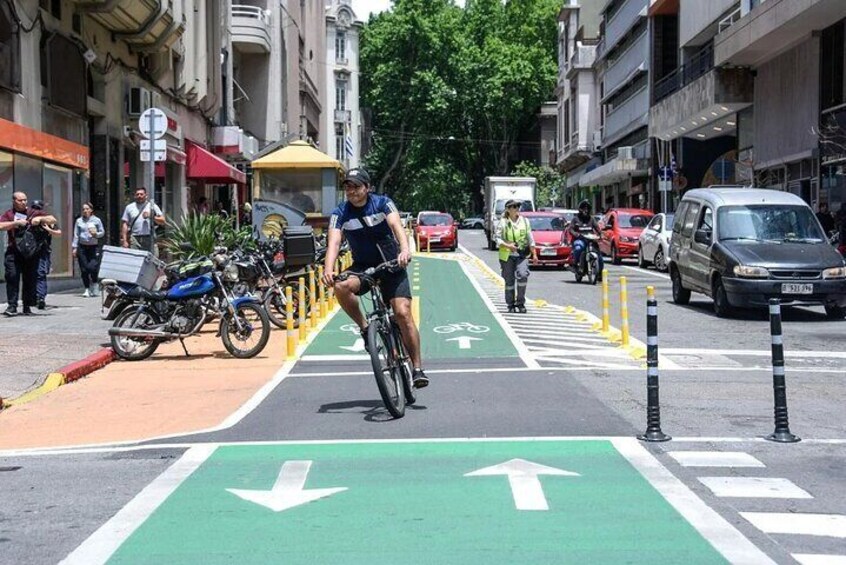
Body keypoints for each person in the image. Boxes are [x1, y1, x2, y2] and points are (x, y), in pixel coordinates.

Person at [321, 168, 429, 389]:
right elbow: (333, 242)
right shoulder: (340, 213)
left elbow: (396, 226)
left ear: (367, 188)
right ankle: (364, 328)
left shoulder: (382, 203)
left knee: (402, 313)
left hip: (391, 264)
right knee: (341, 286)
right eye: (348, 187)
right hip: (363, 267)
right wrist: (328, 269)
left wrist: (405, 250)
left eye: (356, 187)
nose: (352, 191)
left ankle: (417, 368)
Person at [0, 192, 57, 316]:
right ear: (14, 201)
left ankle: (27, 306)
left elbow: (53, 219)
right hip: (13, 251)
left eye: (25, 200)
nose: (24, 202)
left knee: (30, 279)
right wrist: (15, 224)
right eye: (20, 200)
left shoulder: (33, 212)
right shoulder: (9, 214)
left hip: (31, 252)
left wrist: (40, 219)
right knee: (12, 277)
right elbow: (1, 225)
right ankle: (12, 306)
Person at [495, 199, 536, 313]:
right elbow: (497, 238)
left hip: (522, 254)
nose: (516, 208)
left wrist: (534, 254)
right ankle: (510, 304)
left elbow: (530, 238)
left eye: (518, 206)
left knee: (523, 276)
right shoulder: (503, 222)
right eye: (513, 206)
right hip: (507, 255)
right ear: (508, 209)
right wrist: (507, 246)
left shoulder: (525, 221)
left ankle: (520, 303)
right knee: (509, 281)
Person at [30, 199, 62, 309]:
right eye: (34, 208)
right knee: (33, 274)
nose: (36, 210)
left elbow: (58, 232)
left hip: (43, 250)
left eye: (38, 208)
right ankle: (34, 297)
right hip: (29, 251)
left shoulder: (48, 220)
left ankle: (40, 298)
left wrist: (48, 229)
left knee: (41, 273)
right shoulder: (30, 219)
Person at [72, 202, 105, 298]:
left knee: (92, 267)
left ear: (91, 210)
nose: (85, 211)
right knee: (84, 269)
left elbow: (102, 232)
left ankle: (95, 283)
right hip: (82, 247)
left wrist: (96, 234)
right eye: (83, 209)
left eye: (87, 209)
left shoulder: (96, 220)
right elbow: (76, 235)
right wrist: (74, 248)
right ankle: (87, 288)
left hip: (93, 246)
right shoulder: (79, 221)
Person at [121, 187, 164, 253]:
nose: (139, 196)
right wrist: (124, 240)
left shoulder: (152, 206)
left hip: (149, 237)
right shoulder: (129, 207)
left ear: (146, 195)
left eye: (141, 194)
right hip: (135, 238)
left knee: (152, 260)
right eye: (137, 194)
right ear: (134, 196)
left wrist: (151, 216)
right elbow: (125, 224)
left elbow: (162, 221)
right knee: (135, 260)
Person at [569, 200, 604, 279]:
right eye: (584, 208)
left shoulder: (591, 219)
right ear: (580, 209)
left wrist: (600, 234)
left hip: (590, 240)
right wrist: (576, 234)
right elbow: (570, 229)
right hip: (580, 239)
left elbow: (597, 228)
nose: (586, 210)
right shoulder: (575, 219)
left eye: (587, 209)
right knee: (578, 248)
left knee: (600, 256)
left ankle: (600, 273)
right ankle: (575, 264)